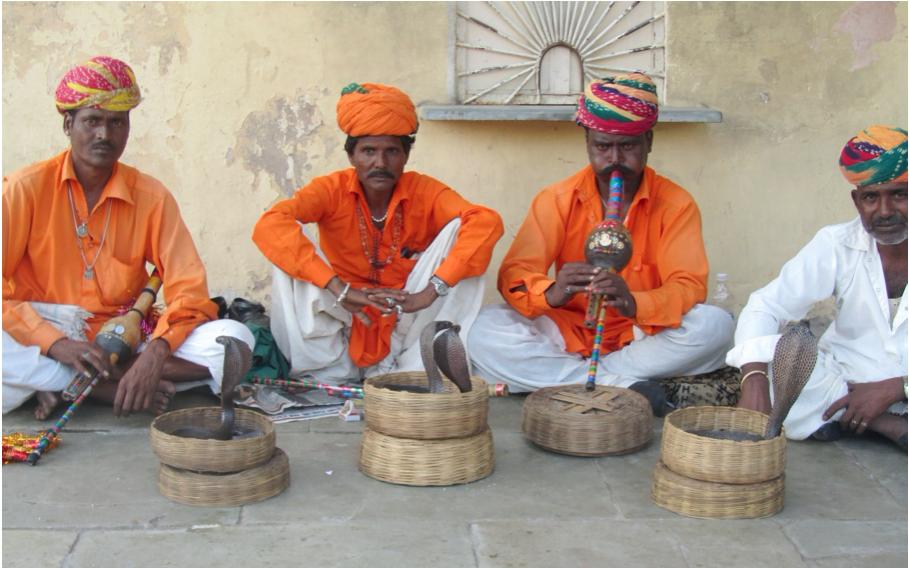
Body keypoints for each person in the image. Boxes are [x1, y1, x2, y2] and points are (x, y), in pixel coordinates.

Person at [2, 56, 254, 419]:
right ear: (68, 124)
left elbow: (189, 291)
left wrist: (155, 354)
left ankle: (80, 382)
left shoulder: (151, 196)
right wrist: (56, 344)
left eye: (116, 122)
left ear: (128, 128)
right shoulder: (24, 189)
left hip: (128, 340)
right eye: (92, 122)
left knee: (234, 341)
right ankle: (101, 387)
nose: (104, 135)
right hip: (49, 331)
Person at [468, 73, 733, 414]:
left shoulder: (676, 204)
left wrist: (633, 302)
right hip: (568, 329)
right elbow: (516, 273)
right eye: (603, 147)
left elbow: (688, 286)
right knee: (484, 330)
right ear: (588, 144)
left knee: (716, 326)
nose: (615, 159)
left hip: (641, 336)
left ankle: (573, 379)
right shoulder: (557, 198)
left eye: (628, 146)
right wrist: (552, 291)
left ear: (648, 141)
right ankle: (620, 386)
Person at [252, 82, 503, 384]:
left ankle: (413, 369)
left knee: (467, 230)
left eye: (391, 152)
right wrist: (337, 288)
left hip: (406, 315)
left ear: (405, 156)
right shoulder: (329, 190)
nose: (380, 163)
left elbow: (486, 221)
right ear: (352, 156)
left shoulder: (424, 190)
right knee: (284, 242)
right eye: (368, 151)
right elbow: (270, 224)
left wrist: (429, 291)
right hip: (342, 314)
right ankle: (326, 371)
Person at [730, 125, 907, 448]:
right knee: (775, 362)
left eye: (899, 194)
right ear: (857, 202)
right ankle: (885, 425)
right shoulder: (836, 243)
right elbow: (766, 306)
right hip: (846, 381)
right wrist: (753, 380)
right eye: (871, 197)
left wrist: (897, 388)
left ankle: (849, 417)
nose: (884, 211)